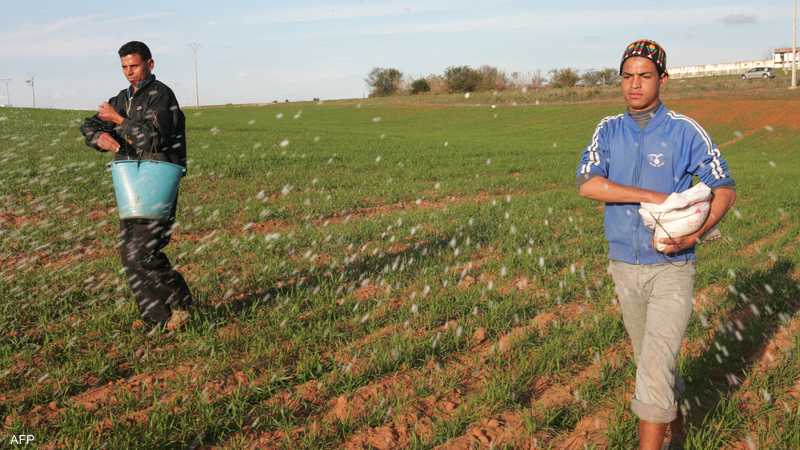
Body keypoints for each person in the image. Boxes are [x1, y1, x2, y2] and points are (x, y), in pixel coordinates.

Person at [576, 39, 736, 449]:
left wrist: (697, 233)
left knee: (653, 367)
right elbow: (589, 185)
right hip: (623, 266)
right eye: (627, 76)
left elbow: (724, 188)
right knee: (649, 359)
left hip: (672, 267)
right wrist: (652, 196)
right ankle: (677, 427)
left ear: (662, 79)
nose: (634, 84)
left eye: (644, 76)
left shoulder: (685, 131)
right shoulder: (607, 130)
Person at [80, 41, 192, 331]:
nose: (129, 72)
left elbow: (154, 140)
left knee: (142, 252)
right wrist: (98, 137)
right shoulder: (122, 98)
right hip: (130, 182)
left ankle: (179, 303)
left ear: (150, 64)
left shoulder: (161, 96)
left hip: (158, 178)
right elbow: (91, 124)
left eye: (134, 66)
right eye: (124, 67)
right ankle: (157, 317)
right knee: (129, 252)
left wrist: (118, 121)